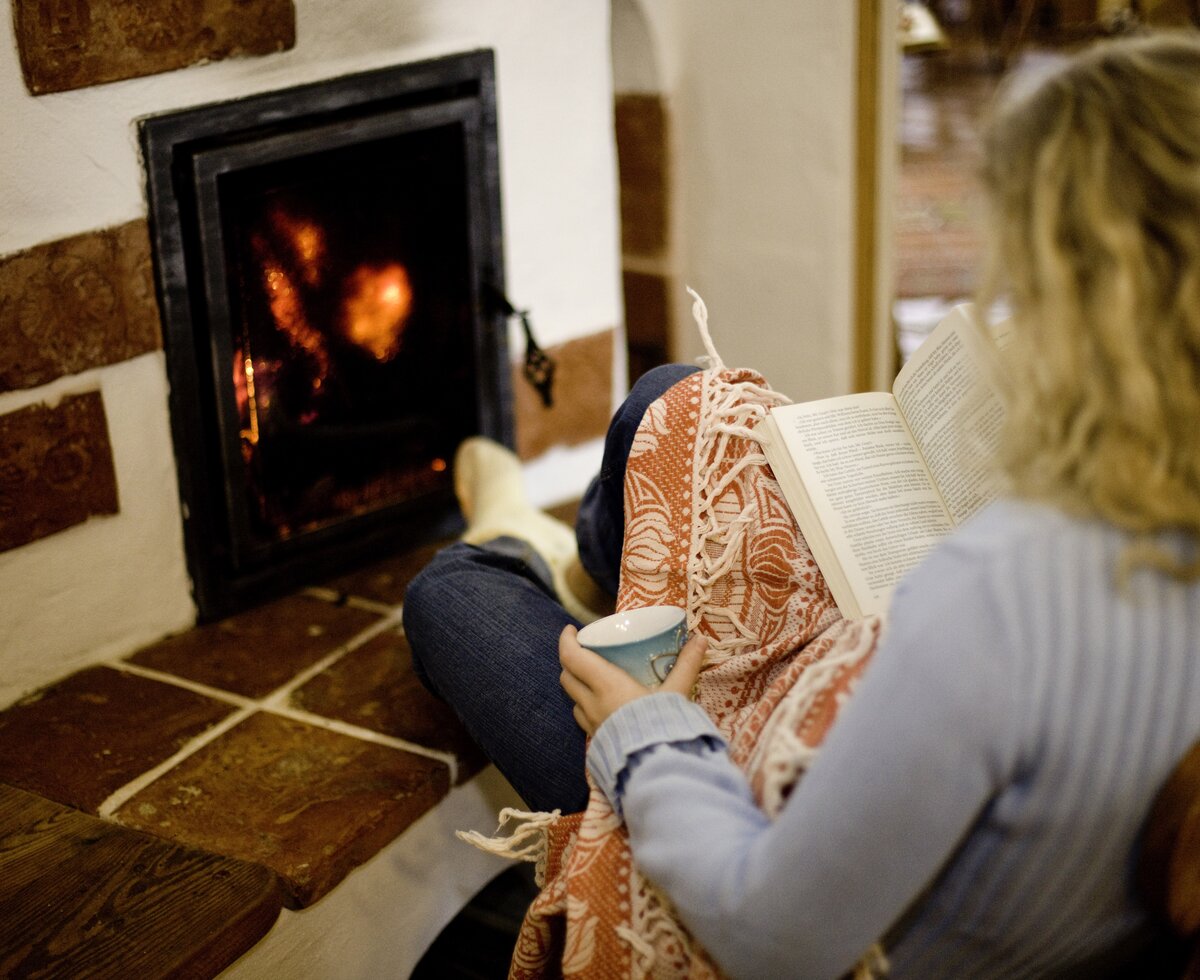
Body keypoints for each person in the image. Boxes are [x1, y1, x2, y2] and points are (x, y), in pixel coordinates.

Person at [403, 32, 1200, 979]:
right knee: (675, 396)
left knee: (453, 591)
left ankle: (534, 555)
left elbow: (776, 936)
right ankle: (582, 571)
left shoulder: (1006, 597)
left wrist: (643, 732)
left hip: (764, 900)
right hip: (923, 819)